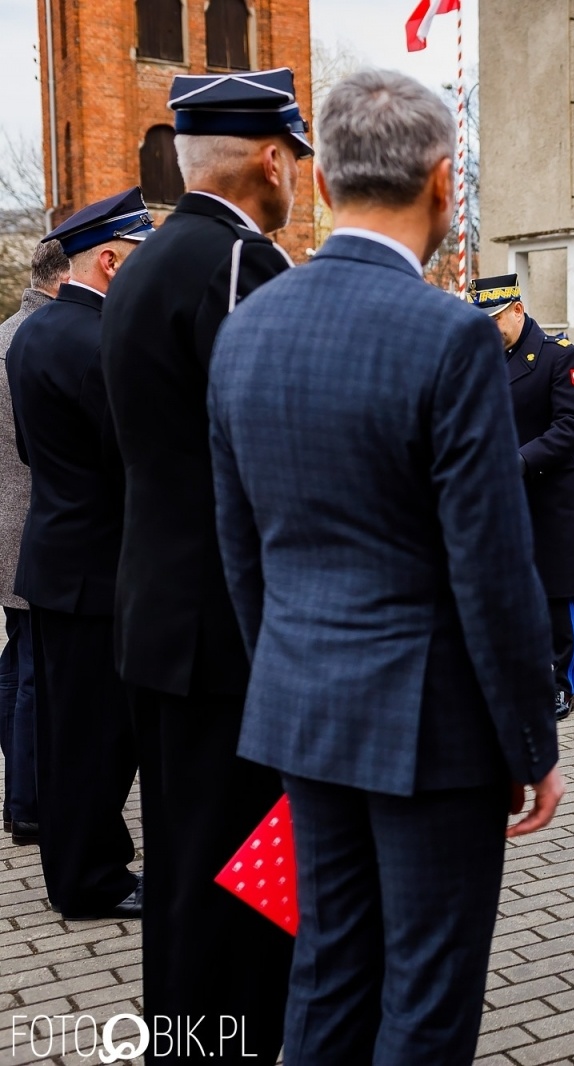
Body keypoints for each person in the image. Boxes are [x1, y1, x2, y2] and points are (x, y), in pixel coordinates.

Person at [207, 69, 565, 1064]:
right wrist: (531, 740)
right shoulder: (451, 336)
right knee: (427, 990)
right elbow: (493, 570)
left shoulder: (248, 330)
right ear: (445, 183)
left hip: (303, 708)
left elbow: (243, 554)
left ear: (323, 186)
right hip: (433, 729)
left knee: (328, 970)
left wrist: (287, 675)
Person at [99, 67, 309, 1058]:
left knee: (188, 857)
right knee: (243, 867)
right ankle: (224, 1042)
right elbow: (273, 453)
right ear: (270, 158)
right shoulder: (237, 265)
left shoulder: (142, 262)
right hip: (226, 626)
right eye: (298, 158)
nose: (303, 177)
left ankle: (183, 1036)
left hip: (158, 610)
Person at [7, 189, 153, 919]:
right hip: (101, 570)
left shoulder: (35, 332)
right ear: (107, 259)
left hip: (61, 559)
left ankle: (83, 865)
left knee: (69, 736)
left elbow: (35, 453)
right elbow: (133, 462)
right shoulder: (103, 343)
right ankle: (91, 881)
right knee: (97, 742)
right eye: (136, 259)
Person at [469, 274, 574, 720]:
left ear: (517, 310)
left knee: (555, 599)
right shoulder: (481, 359)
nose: (488, 327)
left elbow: (572, 426)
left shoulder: (559, 358)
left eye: (495, 318)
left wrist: (519, 461)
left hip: (547, 499)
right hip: (498, 503)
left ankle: (562, 685)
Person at [0, 239, 68, 848]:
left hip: (7, 522)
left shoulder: (4, 331)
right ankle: (27, 806)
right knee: (30, 675)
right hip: (30, 522)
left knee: (14, 662)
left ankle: (14, 796)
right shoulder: (42, 336)